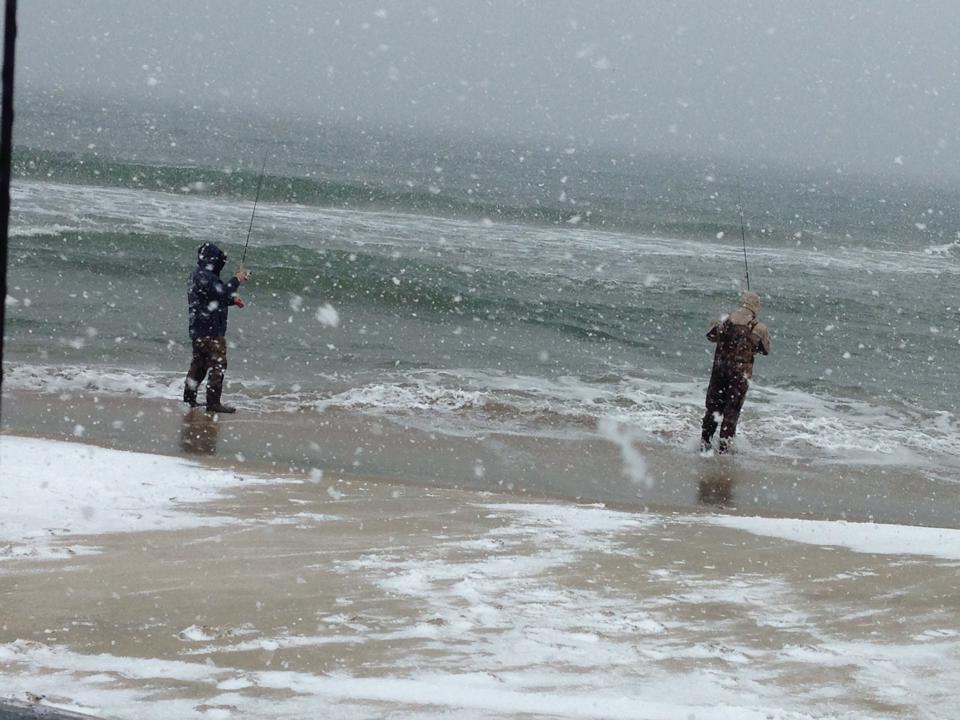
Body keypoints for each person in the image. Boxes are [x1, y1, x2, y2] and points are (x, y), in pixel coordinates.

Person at [701, 290, 771, 453]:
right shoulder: (759, 328)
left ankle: (705, 445)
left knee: (713, 408)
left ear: (742, 303)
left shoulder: (725, 320)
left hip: (719, 371)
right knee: (731, 412)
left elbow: (710, 336)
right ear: (756, 307)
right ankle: (724, 449)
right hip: (740, 376)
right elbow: (766, 350)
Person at [183, 242, 248, 413]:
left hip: (198, 330)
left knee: (199, 365)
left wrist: (232, 300)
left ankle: (189, 400)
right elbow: (221, 292)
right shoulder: (206, 277)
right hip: (210, 331)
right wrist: (237, 279)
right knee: (218, 365)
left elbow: (213, 297)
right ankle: (213, 404)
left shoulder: (198, 275)